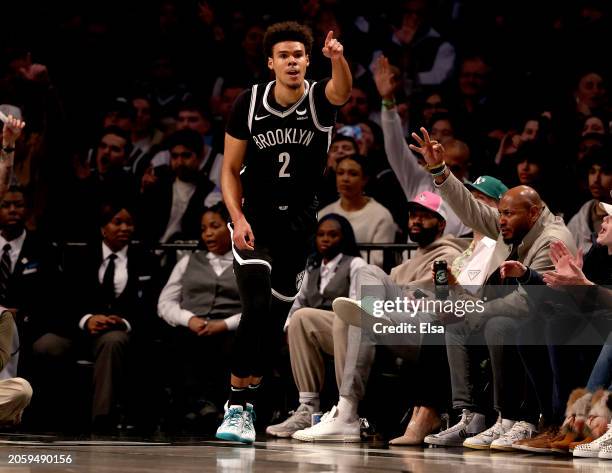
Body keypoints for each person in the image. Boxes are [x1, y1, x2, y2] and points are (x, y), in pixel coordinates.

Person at [217, 21, 351, 444]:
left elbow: (341, 91)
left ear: (308, 60)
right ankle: (235, 406)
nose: (292, 62)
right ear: (271, 62)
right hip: (256, 221)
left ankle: (250, 402)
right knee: (255, 306)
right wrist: (237, 219)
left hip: (297, 228)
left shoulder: (318, 97)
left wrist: (338, 59)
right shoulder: (249, 102)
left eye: (299, 55)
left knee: (271, 324)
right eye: (284, 56)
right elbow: (228, 170)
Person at [265, 214, 367, 438]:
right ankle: (307, 408)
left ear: (344, 237)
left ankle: (345, 411)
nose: (326, 239)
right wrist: (289, 328)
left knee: (313, 317)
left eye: (333, 234)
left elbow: (356, 304)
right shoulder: (310, 267)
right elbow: (296, 304)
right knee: (298, 319)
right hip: (320, 331)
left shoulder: (356, 264)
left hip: (349, 328)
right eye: (321, 234)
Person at [158, 203, 241, 428]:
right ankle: (193, 406)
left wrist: (225, 324)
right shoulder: (188, 261)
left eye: (214, 226)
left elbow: (258, 307)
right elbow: (165, 302)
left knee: (235, 345)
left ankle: (225, 407)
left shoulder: (246, 263)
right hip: (193, 326)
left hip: (230, 329)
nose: (208, 233)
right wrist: (189, 319)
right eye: (204, 229)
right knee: (178, 342)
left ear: (231, 227)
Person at [318, 154, 396, 267]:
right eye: (340, 173)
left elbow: (378, 261)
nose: (345, 179)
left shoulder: (381, 215)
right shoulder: (323, 214)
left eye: (353, 174)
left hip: (365, 278)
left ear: (364, 179)